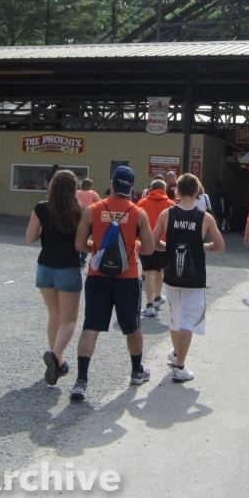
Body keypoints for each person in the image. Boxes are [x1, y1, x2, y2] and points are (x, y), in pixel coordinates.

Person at [70, 166, 156, 400]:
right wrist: (130, 248)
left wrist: (100, 250)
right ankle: (137, 371)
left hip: (97, 276)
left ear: (111, 182)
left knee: (91, 326)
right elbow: (148, 248)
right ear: (131, 187)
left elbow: (79, 245)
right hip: (127, 278)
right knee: (132, 325)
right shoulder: (138, 213)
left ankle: (81, 381)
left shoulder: (93, 210)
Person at [153, 173, 225, 382]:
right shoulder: (205, 217)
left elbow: (154, 242)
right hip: (194, 275)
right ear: (197, 192)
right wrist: (201, 247)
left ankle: (177, 353)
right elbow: (220, 246)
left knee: (175, 316)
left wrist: (169, 248)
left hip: (172, 273)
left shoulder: (167, 214)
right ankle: (180, 365)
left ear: (177, 191)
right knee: (187, 320)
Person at [27, 169, 84, 386]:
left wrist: (47, 232)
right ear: (73, 188)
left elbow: (30, 237)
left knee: (54, 316)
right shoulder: (79, 211)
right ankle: (56, 355)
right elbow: (81, 244)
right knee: (69, 320)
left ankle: (58, 361)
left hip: (45, 267)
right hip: (68, 267)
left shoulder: (41, 208)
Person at [136, 179, 173, 317]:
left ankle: (149, 305)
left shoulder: (142, 203)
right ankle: (157, 298)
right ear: (164, 189)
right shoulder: (170, 204)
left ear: (151, 189)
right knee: (160, 271)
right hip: (163, 244)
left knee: (148, 272)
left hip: (145, 242)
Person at [76, 179, 101, 266]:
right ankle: (83, 259)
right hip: (88, 215)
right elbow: (100, 202)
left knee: (78, 234)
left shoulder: (77, 192)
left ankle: (76, 256)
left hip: (78, 215)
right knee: (87, 237)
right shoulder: (92, 193)